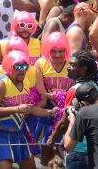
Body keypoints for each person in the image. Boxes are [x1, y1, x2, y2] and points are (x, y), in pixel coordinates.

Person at [0, 50, 57, 168]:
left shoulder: (25, 83)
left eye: (24, 66)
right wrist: (17, 108)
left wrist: (50, 112)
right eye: (17, 66)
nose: (22, 69)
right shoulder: (0, 84)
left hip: (18, 134)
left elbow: (29, 109)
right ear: (9, 67)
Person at [47, 50, 98, 169]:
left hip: (76, 149)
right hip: (93, 147)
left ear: (84, 68)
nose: (68, 67)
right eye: (69, 64)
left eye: (73, 65)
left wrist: (52, 139)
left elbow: (64, 121)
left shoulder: (74, 90)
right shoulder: (94, 86)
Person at [34, 32, 74, 166]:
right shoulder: (40, 64)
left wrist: (64, 100)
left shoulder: (72, 64)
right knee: (46, 150)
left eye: (61, 51)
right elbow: (41, 93)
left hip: (68, 113)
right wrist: (55, 97)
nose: (57, 55)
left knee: (66, 150)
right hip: (48, 112)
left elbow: (76, 89)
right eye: (54, 51)